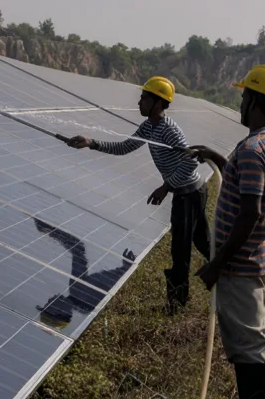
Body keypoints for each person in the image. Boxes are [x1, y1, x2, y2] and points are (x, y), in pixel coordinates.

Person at [189, 64, 265, 399]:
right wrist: (215, 156)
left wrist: (217, 265)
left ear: (255, 101)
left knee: (249, 347)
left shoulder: (252, 150)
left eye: (244, 95)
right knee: (253, 340)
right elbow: (247, 182)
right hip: (262, 259)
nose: (240, 102)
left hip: (241, 266)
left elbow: (251, 213)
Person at [66, 76, 211, 311]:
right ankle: (230, 275)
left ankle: (176, 305)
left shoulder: (168, 130)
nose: (139, 102)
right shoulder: (148, 127)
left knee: (181, 250)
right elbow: (125, 147)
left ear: (158, 103)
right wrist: (91, 143)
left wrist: (166, 187)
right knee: (202, 242)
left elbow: (191, 161)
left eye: (144, 98)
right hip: (188, 191)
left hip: (189, 193)